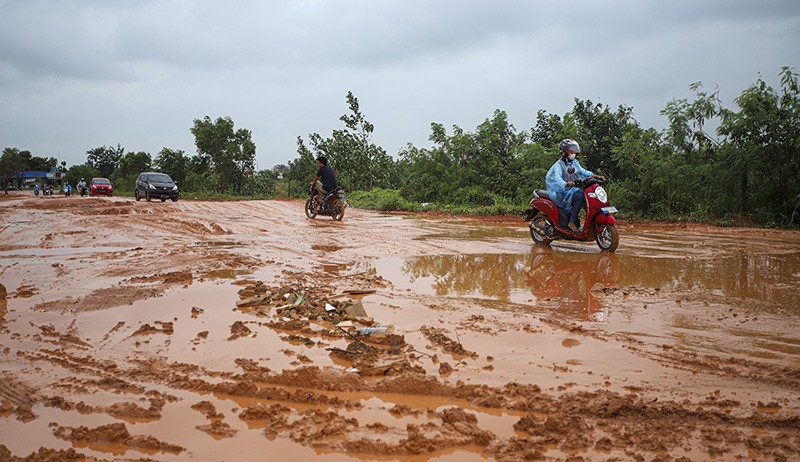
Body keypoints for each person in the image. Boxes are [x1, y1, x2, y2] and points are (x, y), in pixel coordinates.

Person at [545, 139, 605, 232]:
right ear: (564, 152)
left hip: (570, 190)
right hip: (560, 191)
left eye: (574, 150)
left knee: (584, 196)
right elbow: (558, 178)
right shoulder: (558, 165)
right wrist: (566, 184)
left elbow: (583, 171)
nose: (573, 153)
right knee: (580, 197)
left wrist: (596, 176)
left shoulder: (575, 162)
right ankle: (572, 222)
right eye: (571, 150)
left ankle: (578, 221)